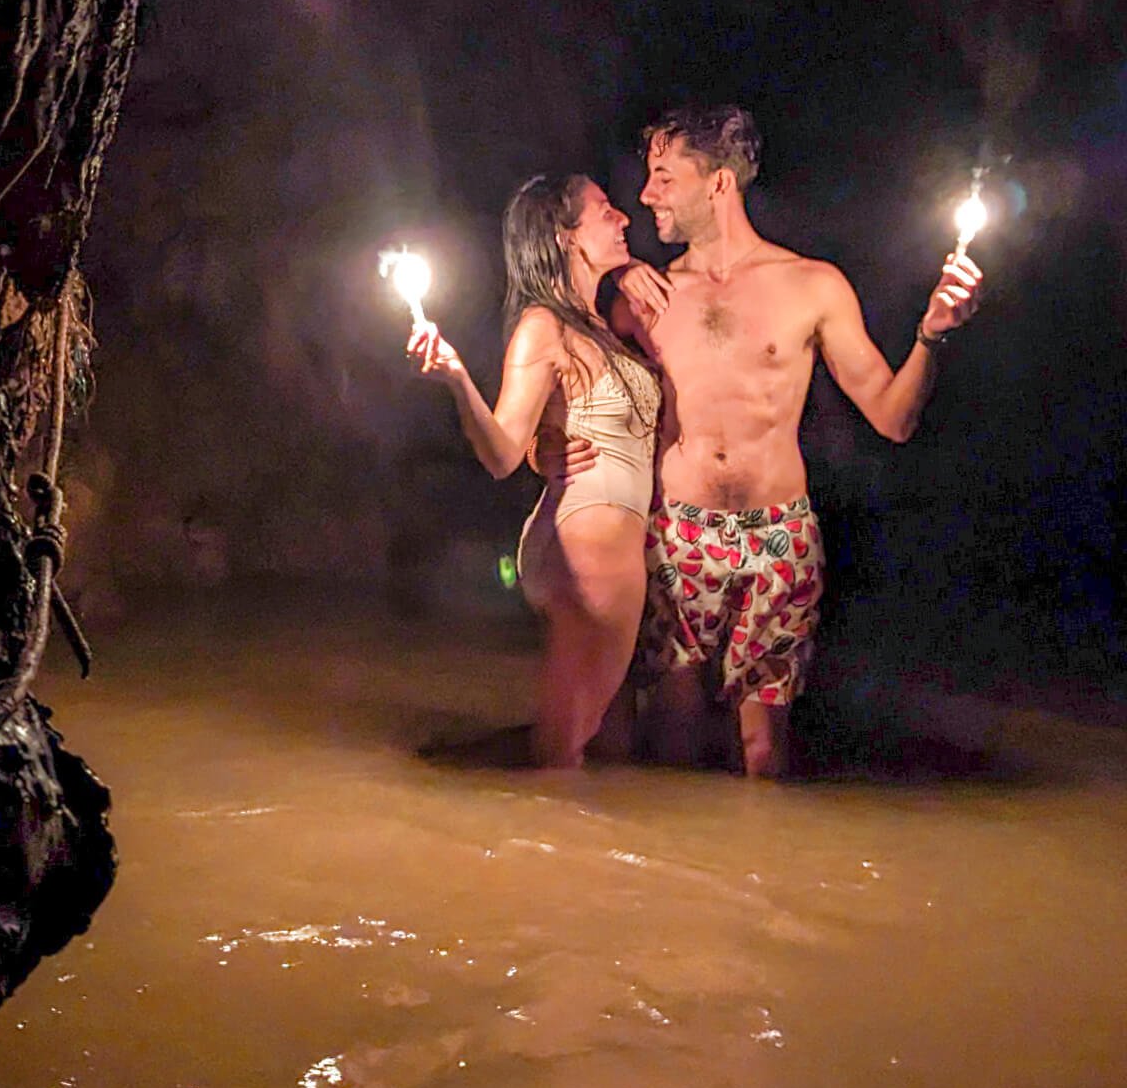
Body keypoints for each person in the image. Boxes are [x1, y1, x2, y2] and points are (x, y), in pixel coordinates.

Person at [553, 106, 983, 778]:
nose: (646, 195)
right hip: (680, 537)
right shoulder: (649, 294)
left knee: (763, 752)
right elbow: (556, 358)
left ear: (718, 184)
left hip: (780, 539)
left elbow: (893, 419)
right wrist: (609, 277)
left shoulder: (814, 285)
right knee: (673, 738)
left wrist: (933, 333)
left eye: (664, 177)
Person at [408, 174, 661, 768]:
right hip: (588, 548)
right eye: (604, 212)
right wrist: (456, 378)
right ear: (563, 234)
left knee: (581, 733)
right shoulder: (543, 327)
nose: (623, 218)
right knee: (562, 750)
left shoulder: (596, 325)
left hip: (595, 542)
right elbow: (501, 454)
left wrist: (622, 274)